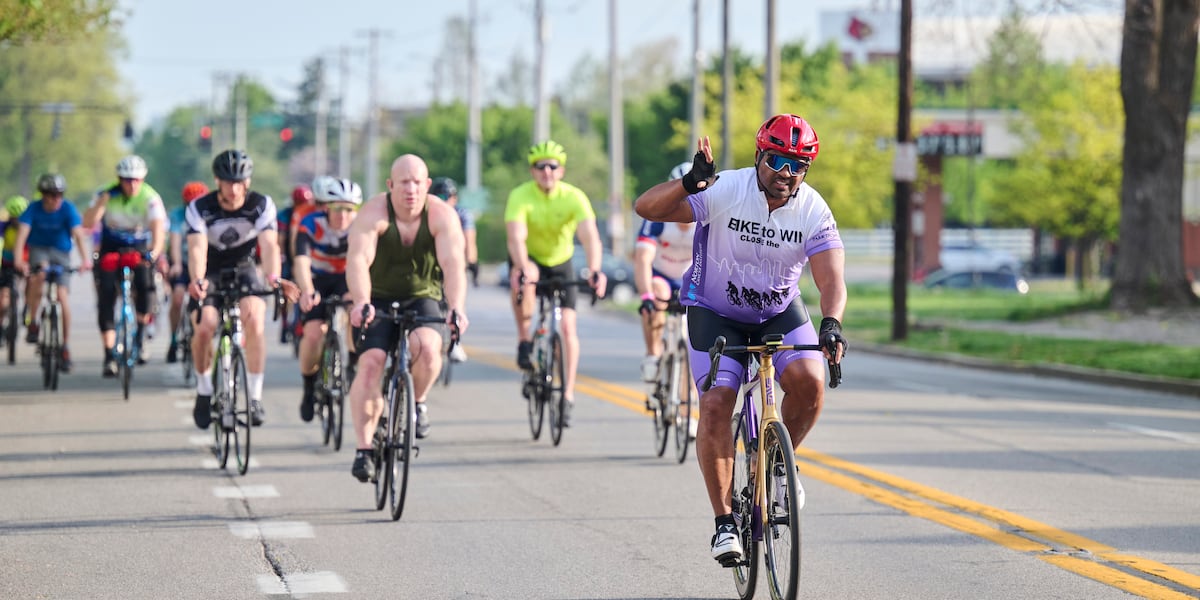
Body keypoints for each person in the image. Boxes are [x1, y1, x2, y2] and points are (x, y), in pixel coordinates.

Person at [633, 114, 848, 565]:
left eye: (797, 165)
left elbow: (831, 279)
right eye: (776, 160)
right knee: (715, 402)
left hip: (777, 311)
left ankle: (776, 462)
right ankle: (725, 522)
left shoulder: (813, 209)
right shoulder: (728, 189)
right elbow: (646, 209)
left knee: (811, 383)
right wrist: (690, 184)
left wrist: (832, 323)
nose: (785, 173)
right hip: (715, 312)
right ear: (758, 157)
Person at [345, 154, 469, 482]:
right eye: (403, 182)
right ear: (390, 186)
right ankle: (364, 448)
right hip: (378, 297)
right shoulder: (373, 213)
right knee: (370, 364)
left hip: (422, 296)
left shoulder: (442, 215)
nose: (410, 190)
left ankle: (419, 401)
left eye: (417, 182)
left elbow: (454, 264)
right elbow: (358, 259)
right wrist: (360, 302)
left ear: (427, 186)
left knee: (429, 348)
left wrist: (456, 307)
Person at [186, 149, 296, 429]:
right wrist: (198, 280)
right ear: (217, 181)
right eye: (227, 182)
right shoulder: (200, 207)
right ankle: (203, 389)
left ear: (247, 182)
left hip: (245, 266)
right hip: (211, 268)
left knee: (254, 320)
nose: (234, 189)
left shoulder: (261, 204)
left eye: (239, 182)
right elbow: (197, 249)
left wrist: (273, 278)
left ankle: (255, 396)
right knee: (205, 325)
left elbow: (270, 245)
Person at [505, 140, 606, 427]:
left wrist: (596, 270)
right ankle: (525, 340)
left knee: (567, 327)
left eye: (552, 166)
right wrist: (523, 266)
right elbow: (516, 238)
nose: (546, 171)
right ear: (532, 171)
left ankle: (568, 394)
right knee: (526, 279)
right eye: (540, 166)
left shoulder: (574, 197)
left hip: (562, 261)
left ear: (561, 170)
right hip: (530, 258)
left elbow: (590, 237)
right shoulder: (520, 196)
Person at [82, 155, 167, 376]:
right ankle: (109, 354)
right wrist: (103, 201)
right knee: (106, 296)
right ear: (119, 179)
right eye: (127, 180)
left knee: (146, 288)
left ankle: (140, 333)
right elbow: (88, 223)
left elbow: (158, 229)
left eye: (136, 180)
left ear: (142, 179)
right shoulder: (106, 193)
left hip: (138, 248)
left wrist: (154, 253)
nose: (132, 184)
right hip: (111, 247)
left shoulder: (150, 197)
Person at [295, 175, 362, 422]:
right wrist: (307, 290)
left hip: (347, 277)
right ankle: (308, 387)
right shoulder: (311, 223)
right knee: (313, 334)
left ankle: (352, 366)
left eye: (348, 209)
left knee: (356, 314)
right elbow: (301, 261)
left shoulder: (361, 225)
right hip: (318, 278)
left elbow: (368, 262)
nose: (342, 215)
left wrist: (359, 294)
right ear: (326, 208)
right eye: (336, 209)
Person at [12, 174, 93, 371]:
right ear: (43, 195)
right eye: (51, 195)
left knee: (63, 296)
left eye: (59, 194)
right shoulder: (34, 208)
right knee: (38, 276)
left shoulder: (68, 209)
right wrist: (18, 261)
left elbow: (78, 235)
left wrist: (85, 260)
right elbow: (22, 235)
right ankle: (33, 321)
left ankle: (64, 346)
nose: (55, 198)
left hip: (61, 253)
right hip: (39, 250)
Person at [635, 161, 697, 383]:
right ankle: (653, 353)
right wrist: (646, 297)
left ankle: (685, 406)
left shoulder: (705, 220)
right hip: (661, 275)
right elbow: (643, 258)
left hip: (690, 280)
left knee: (694, 351)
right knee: (656, 294)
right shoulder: (658, 219)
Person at [429, 176, 476, 363]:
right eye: (438, 196)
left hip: (453, 260)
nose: (442, 201)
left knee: (457, 298)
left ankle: (456, 341)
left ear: (454, 199)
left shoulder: (462, 214)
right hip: (431, 261)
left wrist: (471, 262)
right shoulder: (427, 213)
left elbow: (469, 241)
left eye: (446, 196)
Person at [166, 181, 210, 363]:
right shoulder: (178, 215)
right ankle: (174, 338)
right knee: (177, 298)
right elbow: (175, 242)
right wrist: (175, 263)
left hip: (205, 263)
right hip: (183, 262)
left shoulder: (210, 213)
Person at [276, 185, 313, 345]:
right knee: (285, 289)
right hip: (291, 255)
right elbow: (282, 239)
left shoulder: (311, 213)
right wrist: (285, 259)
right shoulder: (285, 214)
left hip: (306, 255)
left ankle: (300, 321)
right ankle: (285, 322)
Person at [0, 195, 30, 343]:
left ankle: (27, 308)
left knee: (31, 284)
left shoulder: (31, 227)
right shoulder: (4, 227)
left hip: (26, 264)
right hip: (6, 264)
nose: (17, 222)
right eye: (14, 218)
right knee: (3, 299)